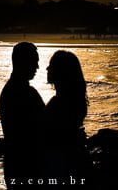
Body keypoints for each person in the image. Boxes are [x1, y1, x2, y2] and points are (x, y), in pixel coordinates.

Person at [0, 42, 45, 185]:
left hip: (14, 163)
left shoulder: (10, 90)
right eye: (34, 62)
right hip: (25, 165)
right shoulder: (24, 93)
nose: (37, 67)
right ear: (23, 62)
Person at [44, 50, 90, 183]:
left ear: (60, 71)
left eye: (51, 65)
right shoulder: (74, 100)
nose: (47, 68)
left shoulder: (59, 103)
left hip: (61, 164)